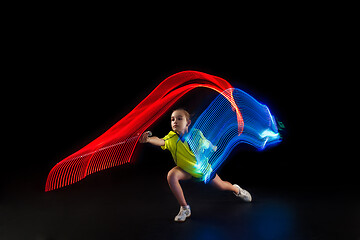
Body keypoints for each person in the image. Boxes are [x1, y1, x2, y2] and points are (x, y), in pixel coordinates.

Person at [140, 108, 252, 222]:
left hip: (202, 170)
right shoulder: (171, 137)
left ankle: (237, 190)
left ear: (188, 122)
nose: (175, 122)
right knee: (171, 175)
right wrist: (148, 140)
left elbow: (207, 144)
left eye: (179, 119)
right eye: (172, 119)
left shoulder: (196, 134)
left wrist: (212, 147)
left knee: (222, 186)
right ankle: (184, 208)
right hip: (186, 170)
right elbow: (160, 141)